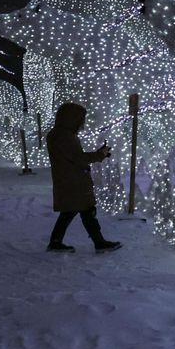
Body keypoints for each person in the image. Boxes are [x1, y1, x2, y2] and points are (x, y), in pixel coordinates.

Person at [45, 102, 120, 253]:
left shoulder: (58, 134)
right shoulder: (64, 136)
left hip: (68, 179)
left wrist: (98, 154)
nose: (82, 123)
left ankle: (57, 242)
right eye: (80, 119)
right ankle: (99, 243)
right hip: (73, 181)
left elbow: (73, 157)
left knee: (72, 211)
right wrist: (100, 155)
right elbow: (78, 158)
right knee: (86, 210)